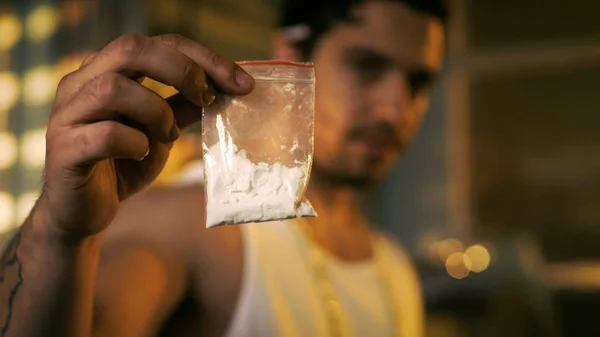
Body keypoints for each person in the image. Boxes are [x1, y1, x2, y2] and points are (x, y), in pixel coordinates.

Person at [0, 0, 446, 336]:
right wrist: (62, 235)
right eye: (367, 66)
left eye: (418, 81)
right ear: (291, 52)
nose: (395, 109)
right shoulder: (192, 221)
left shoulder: (394, 266)